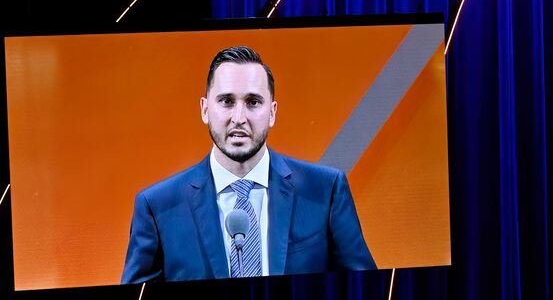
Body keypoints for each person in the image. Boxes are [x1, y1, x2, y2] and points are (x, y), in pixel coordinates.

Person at [121, 45, 376, 283]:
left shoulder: (325, 190)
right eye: (227, 101)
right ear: (205, 109)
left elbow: (366, 296)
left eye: (253, 102)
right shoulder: (158, 206)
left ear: (273, 112)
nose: (239, 118)